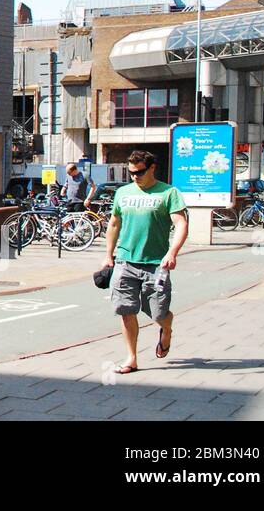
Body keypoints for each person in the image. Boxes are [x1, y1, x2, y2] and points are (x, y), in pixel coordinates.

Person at [99, 150, 188, 374]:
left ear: (151, 168)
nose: (134, 177)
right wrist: (108, 254)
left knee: (158, 313)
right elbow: (114, 223)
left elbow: (181, 224)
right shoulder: (123, 193)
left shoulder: (169, 193)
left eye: (139, 172)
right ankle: (132, 358)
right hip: (125, 261)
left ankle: (166, 329)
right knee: (126, 310)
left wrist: (173, 252)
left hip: (156, 264)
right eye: (131, 173)